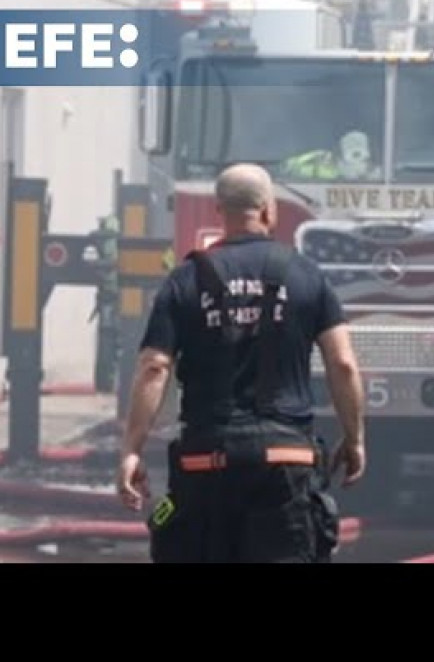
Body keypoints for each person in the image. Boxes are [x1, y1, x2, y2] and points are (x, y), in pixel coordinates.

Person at [116, 163, 366, 563]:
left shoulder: (184, 280)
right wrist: (354, 438)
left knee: (176, 537)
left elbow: (154, 367)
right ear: (269, 210)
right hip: (286, 465)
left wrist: (132, 449)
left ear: (220, 210)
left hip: (203, 465)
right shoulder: (306, 275)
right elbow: (344, 364)